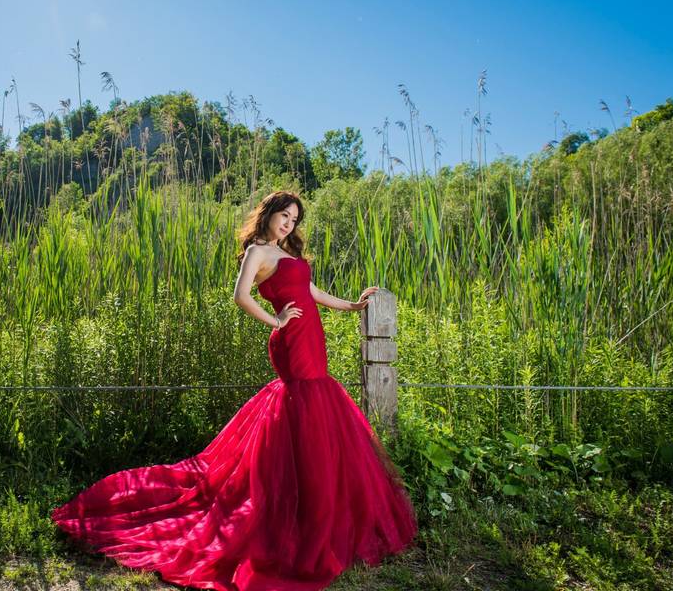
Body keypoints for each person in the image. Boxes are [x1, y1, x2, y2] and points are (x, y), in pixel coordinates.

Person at [51, 191, 418, 590]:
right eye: (284, 216)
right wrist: (275, 322)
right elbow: (240, 296)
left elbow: (309, 292)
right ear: (269, 214)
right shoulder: (257, 253)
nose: (289, 224)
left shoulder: (287, 255)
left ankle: (312, 510)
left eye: (294, 220)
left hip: (312, 339)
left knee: (316, 409)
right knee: (306, 401)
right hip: (292, 342)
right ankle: (296, 515)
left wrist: (349, 306)